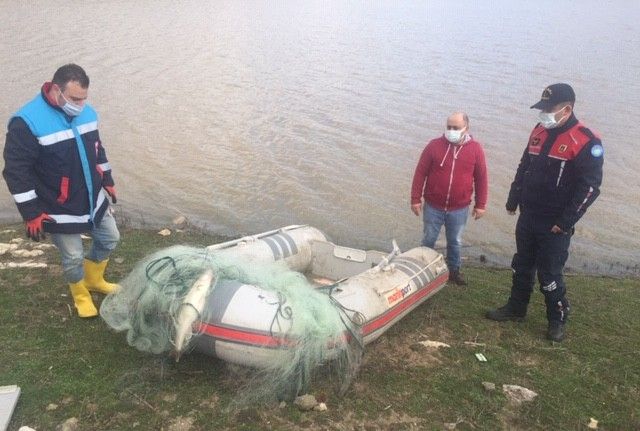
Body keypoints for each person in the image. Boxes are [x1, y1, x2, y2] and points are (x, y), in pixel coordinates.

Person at [486, 83, 604, 342]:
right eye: (542, 109)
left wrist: (565, 222)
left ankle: (557, 318)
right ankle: (516, 308)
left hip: (555, 223)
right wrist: (512, 199)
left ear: (567, 108)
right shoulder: (539, 130)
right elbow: (524, 165)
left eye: (549, 109)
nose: (544, 114)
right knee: (521, 265)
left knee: (549, 274)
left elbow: (590, 188)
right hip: (529, 215)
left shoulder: (586, 140)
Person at [3, 64, 120, 318]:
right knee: (73, 256)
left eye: (84, 98)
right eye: (75, 98)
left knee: (110, 238)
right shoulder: (26, 122)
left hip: (92, 197)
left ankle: (94, 280)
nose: (80, 104)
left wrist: (107, 178)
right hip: (57, 206)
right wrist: (31, 212)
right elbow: (16, 172)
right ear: (57, 90)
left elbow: (98, 148)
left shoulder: (86, 112)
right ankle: (80, 293)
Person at [411, 112, 488, 285]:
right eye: (449, 127)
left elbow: (481, 178)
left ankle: (454, 271)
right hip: (433, 206)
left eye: (456, 128)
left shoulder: (476, 149)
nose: (451, 130)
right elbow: (420, 173)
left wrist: (480, 204)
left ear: (466, 128)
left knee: (455, 242)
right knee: (428, 239)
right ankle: (422, 270)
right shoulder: (434, 146)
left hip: (459, 208)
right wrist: (415, 199)